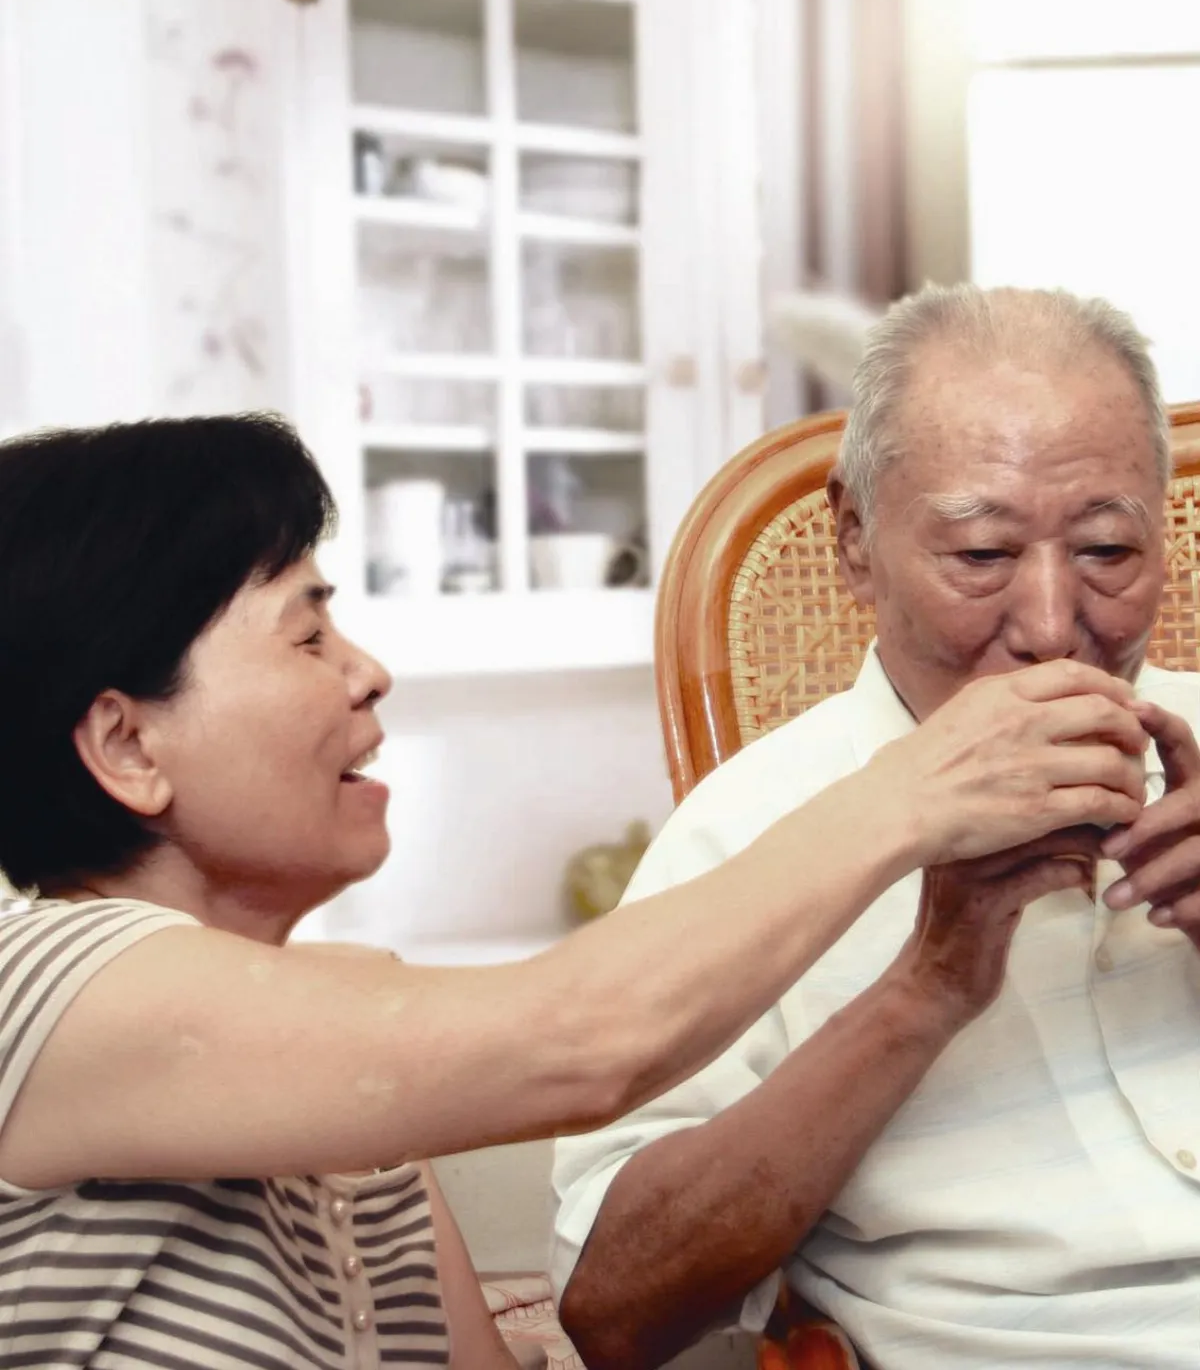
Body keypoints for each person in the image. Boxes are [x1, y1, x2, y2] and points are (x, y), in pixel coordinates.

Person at [0, 412, 1141, 1370]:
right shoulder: (44, 984)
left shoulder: (350, 1069)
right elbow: (588, 1038)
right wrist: (917, 785)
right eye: (307, 635)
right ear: (126, 744)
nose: (366, 671)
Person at [552, 284, 1200, 1370]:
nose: (1052, 628)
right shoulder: (753, 832)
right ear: (855, 545)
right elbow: (613, 1310)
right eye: (982, 557)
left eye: (1105, 550)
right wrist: (927, 987)